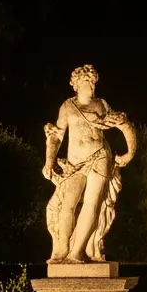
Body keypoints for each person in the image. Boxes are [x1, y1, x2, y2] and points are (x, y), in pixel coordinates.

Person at [43, 63, 137, 262]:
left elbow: (125, 125)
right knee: (68, 205)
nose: (92, 85)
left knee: (91, 204)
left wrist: (130, 153)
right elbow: (56, 136)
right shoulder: (67, 107)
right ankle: (62, 249)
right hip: (75, 163)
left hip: (100, 158)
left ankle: (77, 252)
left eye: (93, 81)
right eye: (87, 81)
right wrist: (49, 162)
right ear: (76, 84)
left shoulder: (101, 105)